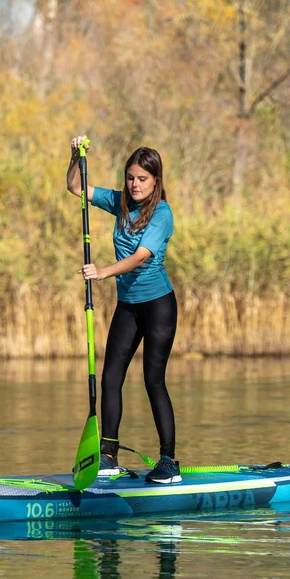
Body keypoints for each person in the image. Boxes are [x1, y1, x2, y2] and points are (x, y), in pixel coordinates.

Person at [66, 136, 180, 484]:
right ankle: (108, 455)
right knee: (111, 377)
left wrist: (102, 272)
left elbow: (139, 258)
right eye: (130, 177)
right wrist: (75, 156)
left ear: (155, 181)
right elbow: (76, 187)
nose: (134, 184)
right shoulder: (119, 202)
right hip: (128, 307)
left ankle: (169, 462)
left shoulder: (162, 214)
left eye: (142, 179)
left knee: (152, 380)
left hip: (158, 306)